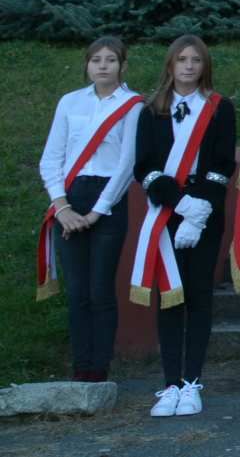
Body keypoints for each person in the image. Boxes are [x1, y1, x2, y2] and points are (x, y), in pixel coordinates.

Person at [134, 36, 237, 418]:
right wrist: (180, 205)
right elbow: (143, 166)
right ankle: (170, 385)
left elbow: (224, 163)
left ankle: (192, 383)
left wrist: (200, 210)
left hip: (206, 210)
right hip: (167, 209)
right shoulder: (150, 111)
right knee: (170, 297)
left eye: (196, 60)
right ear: (170, 65)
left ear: (204, 65)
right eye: (182, 59)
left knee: (198, 294)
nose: (189, 66)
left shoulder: (220, 108)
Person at [38, 36, 143, 384]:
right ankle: (81, 369)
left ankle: (100, 370)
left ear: (123, 66)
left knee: (100, 289)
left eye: (110, 60)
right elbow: (52, 158)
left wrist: (96, 213)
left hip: (108, 201)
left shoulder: (132, 106)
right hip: (71, 196)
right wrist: (63, 207)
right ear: (86, 65)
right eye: (96, 59)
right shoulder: (70, 103)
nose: (102, 65)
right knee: (78, 292)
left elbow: (127, 164)